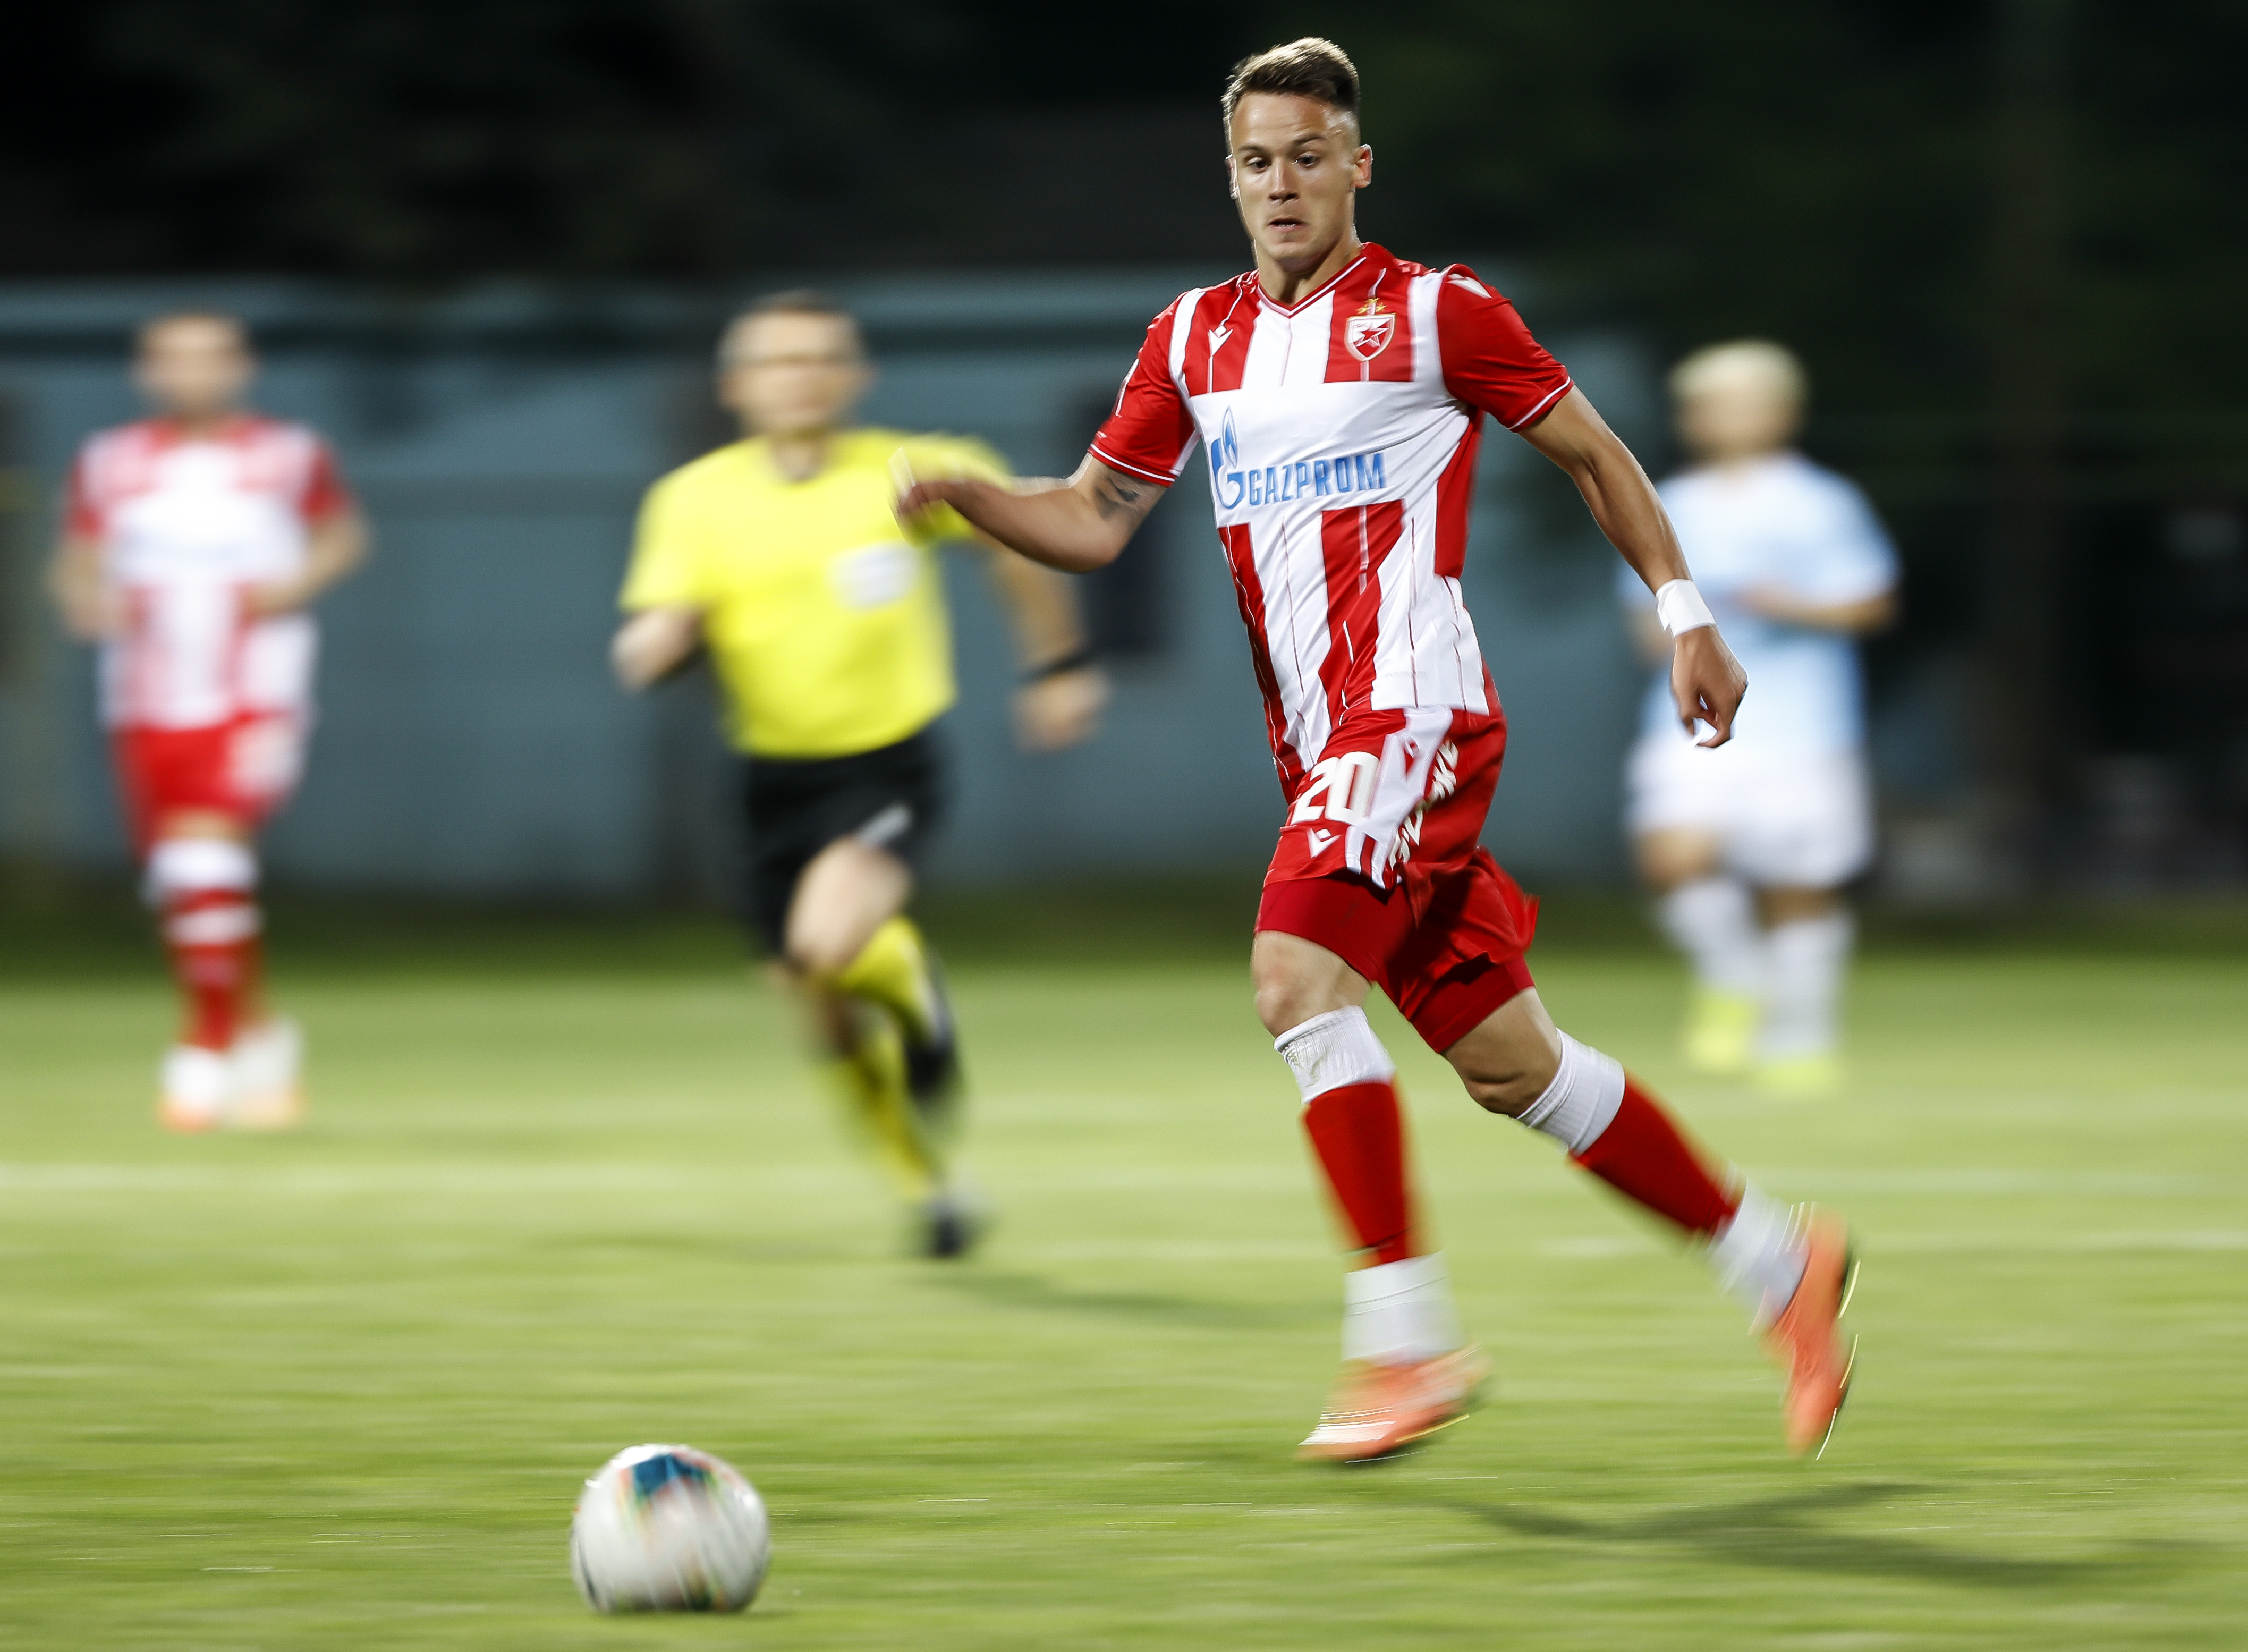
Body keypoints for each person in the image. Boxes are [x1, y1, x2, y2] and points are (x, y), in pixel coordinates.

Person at [898, 39, 1856, 1460]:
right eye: (1254, 161)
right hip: (1326, 747)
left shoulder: (1435, 312)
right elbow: (1097, 517)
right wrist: (972, 497)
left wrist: (1687, 613)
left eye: (1305, 155)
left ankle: (1401, 1342)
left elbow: (1598, 452)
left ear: (1357, 164)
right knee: (1508, 1064)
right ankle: (1782, 1263)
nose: (1280, 183)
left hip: (1410, 715)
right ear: (1230, 181)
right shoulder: (1192, 340)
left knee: (1293, 973)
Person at [612, 290, 1105, 1258]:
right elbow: (654, 627)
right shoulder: (693, 498)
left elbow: (1020, 552)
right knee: (821, 1012)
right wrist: (657, 642)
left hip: (884, 765)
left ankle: (914, 986)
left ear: (854, 375)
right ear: (736, 386)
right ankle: (931, 1189)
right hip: (766, 780)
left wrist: (1056, 667)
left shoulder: (915, 472)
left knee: (829, 942)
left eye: (818, 357)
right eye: (775, 360)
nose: (798, 375)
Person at [48, 311, 369, 1131]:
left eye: (210, 357)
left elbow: (342, 536)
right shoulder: (109, 461)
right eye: (172, 359)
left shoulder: (289, 454)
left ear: (242, 366)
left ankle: (202, 1049)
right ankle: (261, 1032)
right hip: (148, 694)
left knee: (204, 852)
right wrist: (84, 599)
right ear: (146, 371)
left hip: (253, 690)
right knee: (185, 883)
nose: (192, 374)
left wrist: (293, 584)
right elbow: (78, 558)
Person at [1623, 343, 1899, 1095]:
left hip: (1804, 724)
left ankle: (1800, 1041)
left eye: (1747, 402)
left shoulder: (1822, 501)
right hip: (1692, 721)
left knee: (1799, 881)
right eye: (1713, 404)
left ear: (1783, 413)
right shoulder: (1666, 501)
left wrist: (1789, 604)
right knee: (1672, 856)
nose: (1729, 418)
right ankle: (1736, 976)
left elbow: (1871, 600)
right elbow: (1644, 620)